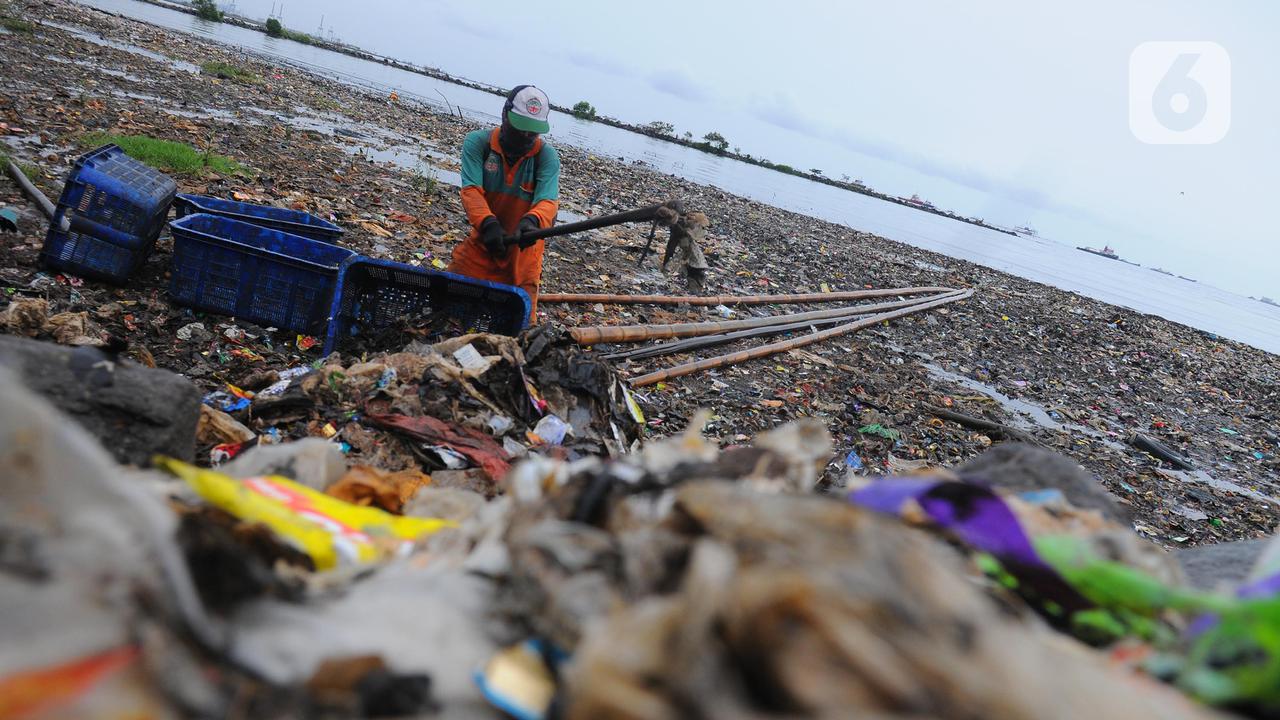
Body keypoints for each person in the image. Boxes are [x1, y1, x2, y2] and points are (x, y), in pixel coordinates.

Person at [447, 84, 560, 319]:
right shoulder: (479, 144)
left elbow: (548, 201)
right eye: (522, 129)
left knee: (520, 320)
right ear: (504, 115)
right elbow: (471, 191)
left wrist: (531, 221)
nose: (527, 136)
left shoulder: (545, 157)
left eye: (534, 131)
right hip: (485, 242)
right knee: (448, 300)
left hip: (523, 250)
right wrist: (488, 224)